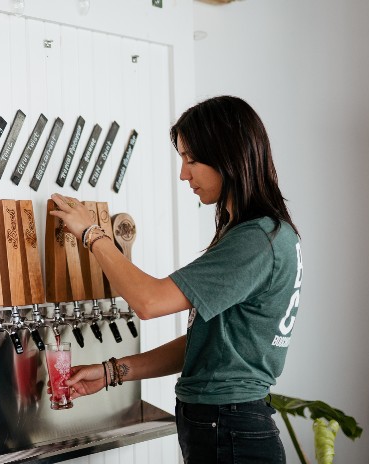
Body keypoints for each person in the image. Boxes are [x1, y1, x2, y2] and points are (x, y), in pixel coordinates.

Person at [49, 95, 302, 464]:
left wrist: (93, 234)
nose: (184, 174)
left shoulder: (257, 240)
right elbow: (207, 345)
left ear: (228, 156)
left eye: (191, 159)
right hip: (227, 426)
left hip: (229, 429)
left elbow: (149, 302)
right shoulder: (262, 234)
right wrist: (112, 372)